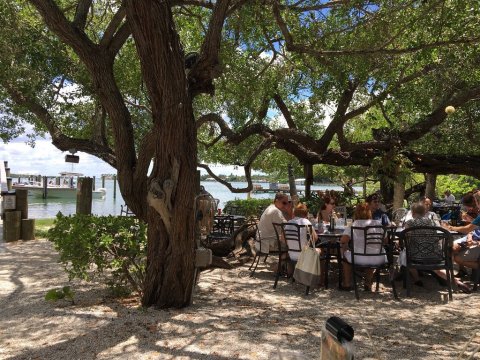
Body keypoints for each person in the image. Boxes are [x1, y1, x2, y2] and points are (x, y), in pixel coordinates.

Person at [400, 203, 471, 292]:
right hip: (435, 255)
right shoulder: (432, 222)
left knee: (404, 254)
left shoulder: (409, 223)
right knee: (437, 270)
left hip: (416, 256)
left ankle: (417, 280)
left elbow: (407, 239)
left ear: (413, 213)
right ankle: (458, 282)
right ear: (424, 212)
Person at [339, 203, 387, 291]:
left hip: (358, 257)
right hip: (377, 258)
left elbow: (343, 240)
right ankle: (368, 283)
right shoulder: (378, 224)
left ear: (356, 213)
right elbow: (386, 241)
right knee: (370, 253)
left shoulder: (354, 224)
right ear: (369, 212)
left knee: (345, 253)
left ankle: (347, 283)